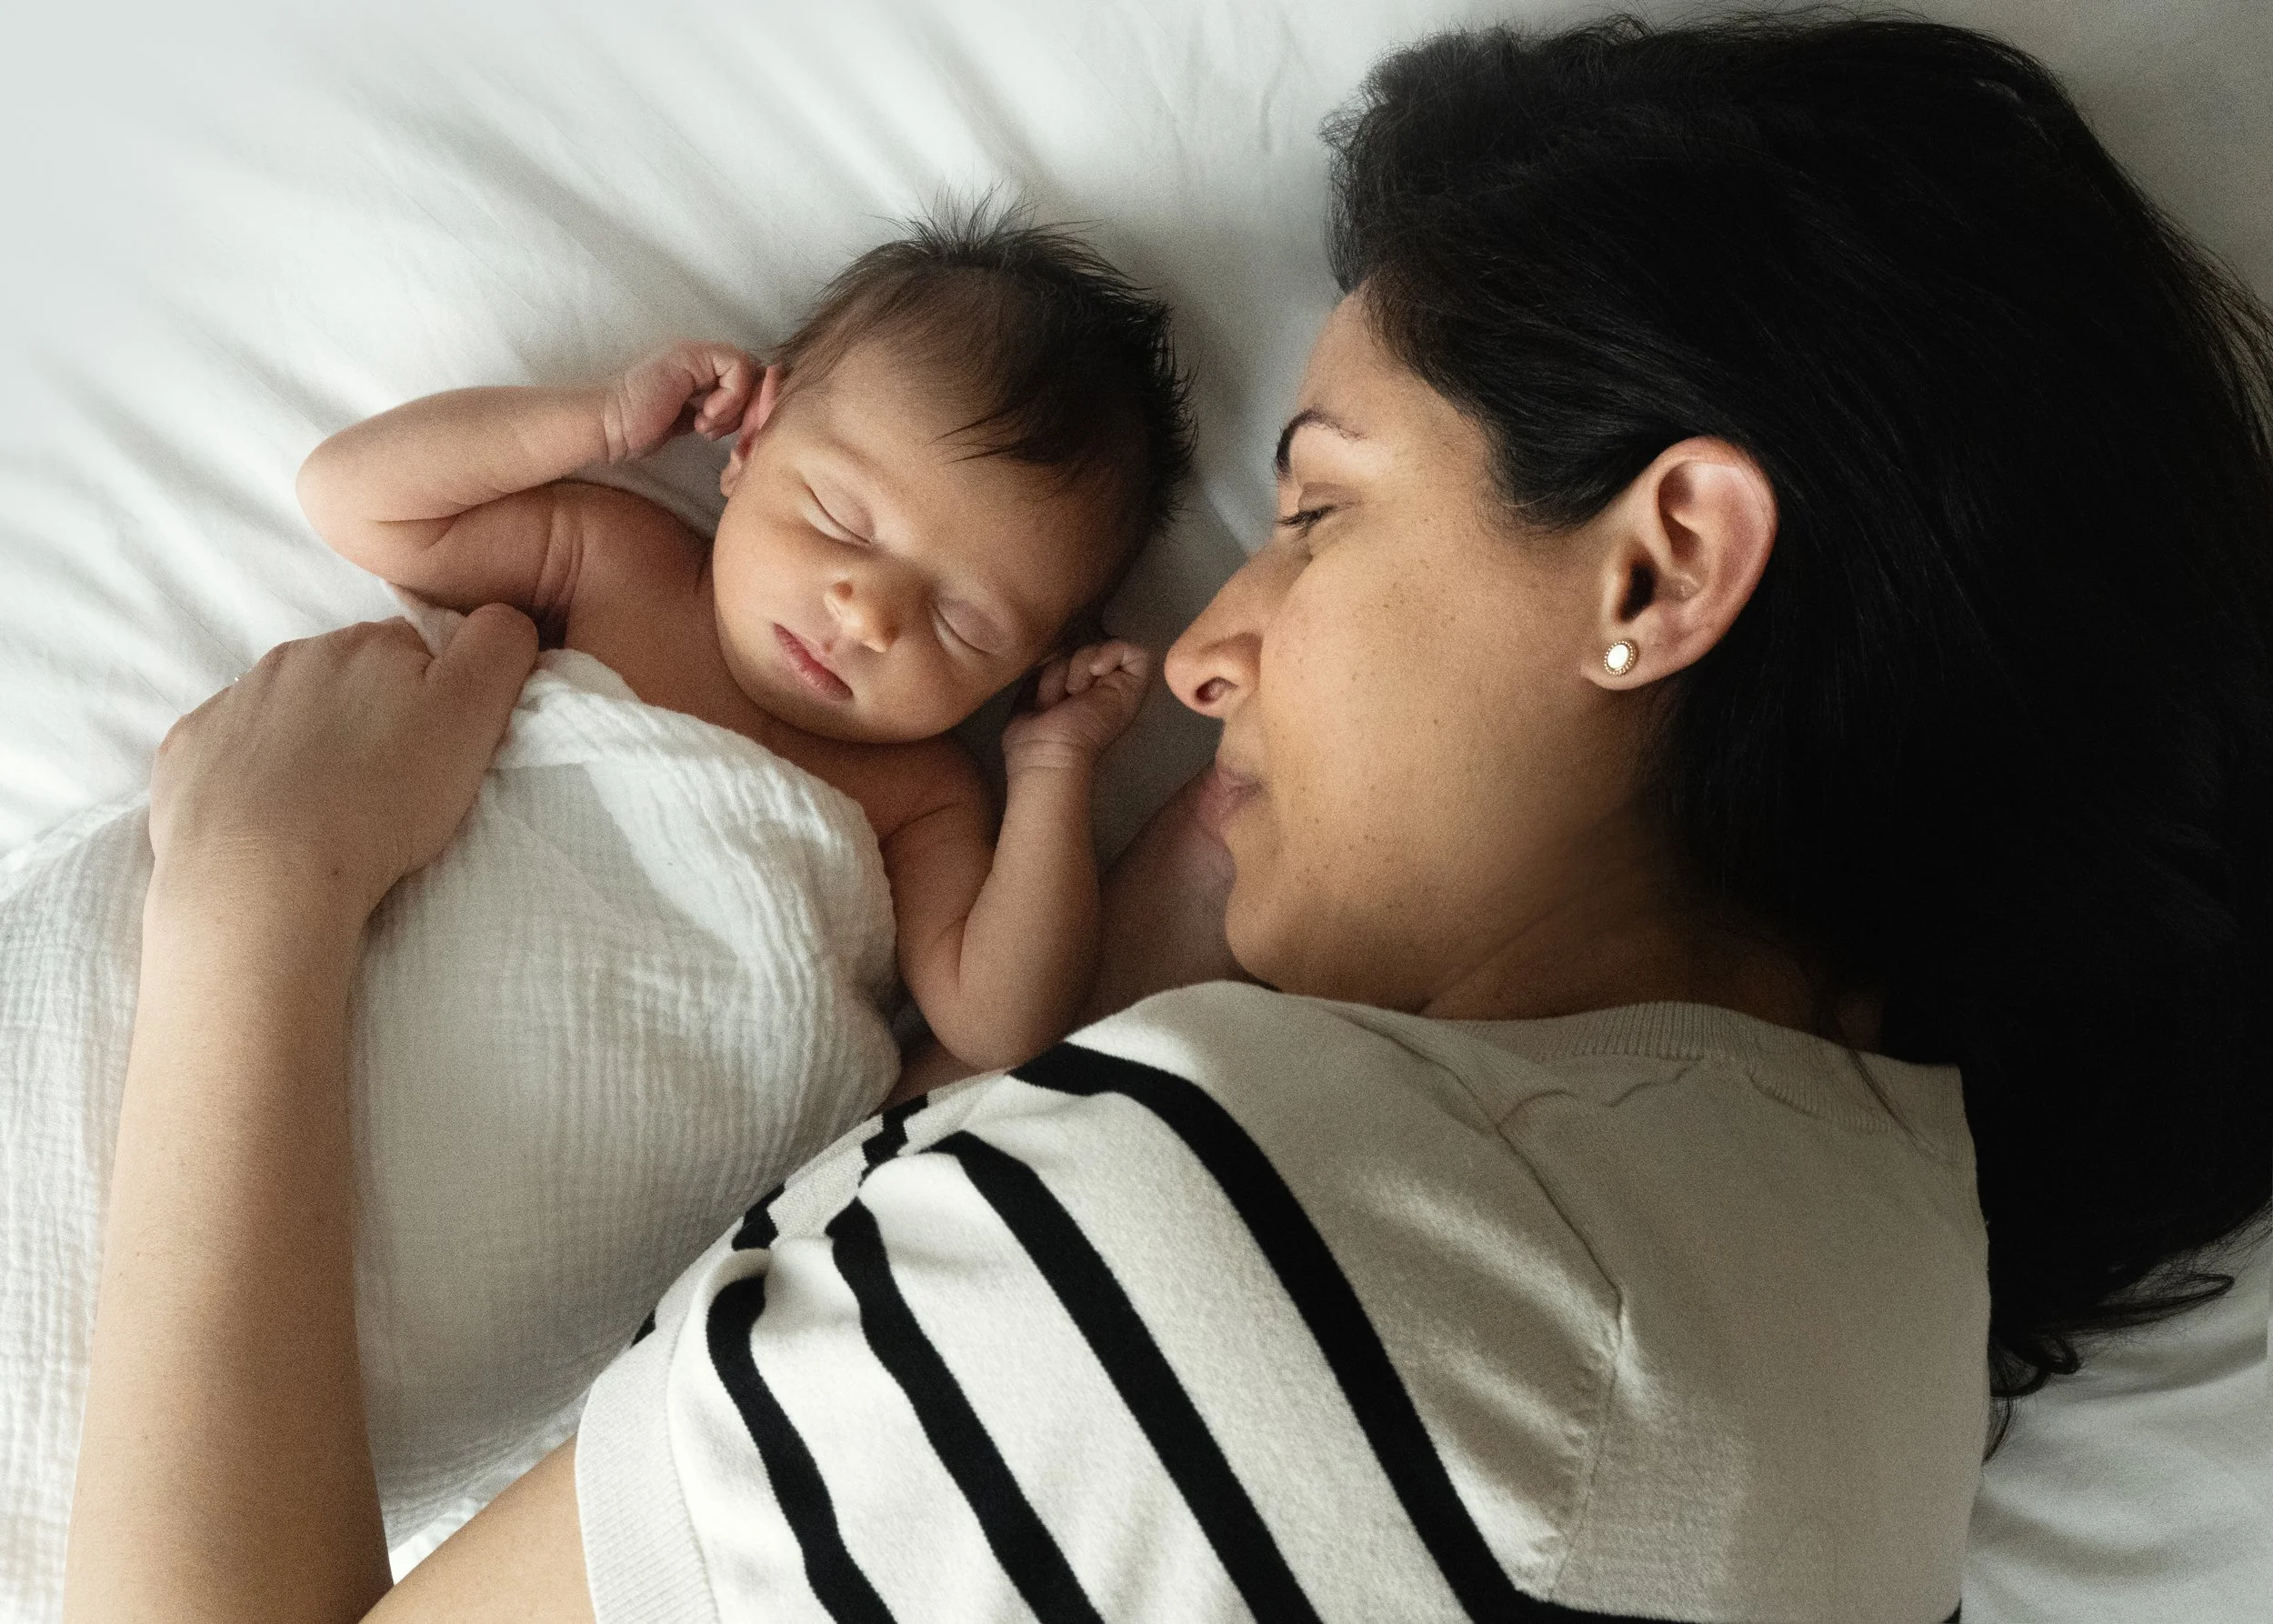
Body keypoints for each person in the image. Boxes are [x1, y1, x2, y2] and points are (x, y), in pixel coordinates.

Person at [61, 12, 2273, 1624]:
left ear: (1658, 564)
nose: (1210, 654)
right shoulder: (1857, 1307)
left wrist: (264, 896)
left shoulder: (1202, 1270)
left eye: (1315, 514)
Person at [298, 209, 1193, 1071]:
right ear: (752, 441)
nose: (866, 618)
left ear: (1027, 664)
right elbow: (356, 498)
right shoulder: (621, 566)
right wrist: (602, 420)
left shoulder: (920, 793)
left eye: (964, 623)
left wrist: (1051, 768)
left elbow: (998, 1023)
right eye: (842, 521)